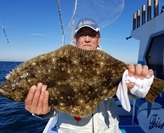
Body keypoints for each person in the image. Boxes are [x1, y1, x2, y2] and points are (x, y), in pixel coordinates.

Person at [25, 18, 154, 133]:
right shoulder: (59, 65)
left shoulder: (110, 64)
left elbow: (121, 92)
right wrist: (43, 112)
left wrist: (135, 91)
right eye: (82, 35)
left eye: (92, 35)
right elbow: (54, 106)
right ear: (75, 39)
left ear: (99, 39)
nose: (87, 39)